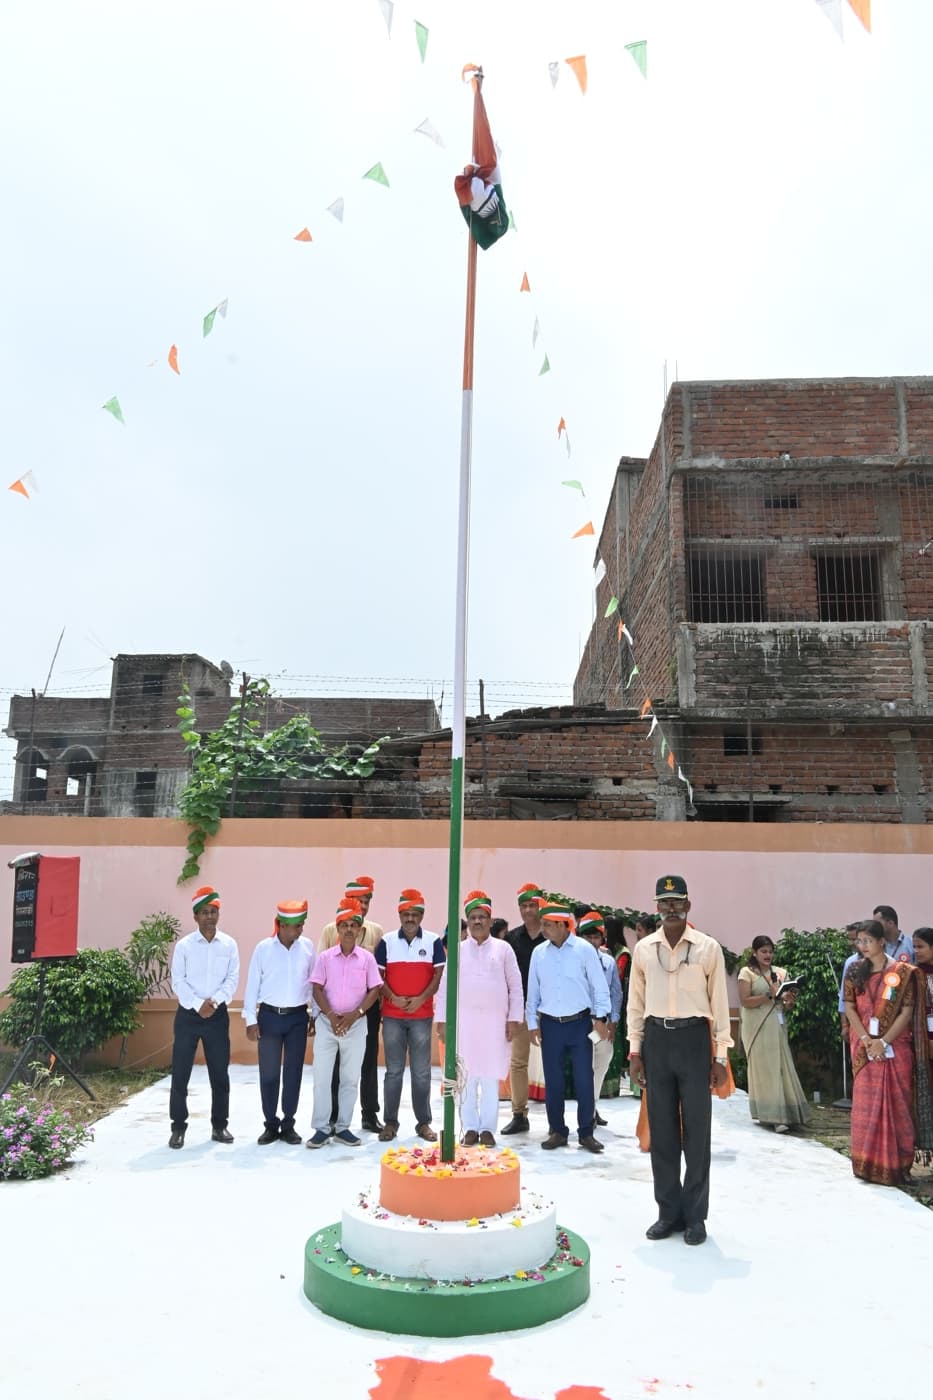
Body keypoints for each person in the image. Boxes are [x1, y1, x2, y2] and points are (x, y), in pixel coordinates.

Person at [627, 875, 732, 1246]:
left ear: (688, 906)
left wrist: (720, 1055)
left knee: (698, 1133)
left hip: (693, 1041)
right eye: (664, 902)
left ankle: (695, 1217)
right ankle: (668, 1213)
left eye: (677, 902)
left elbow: (719, 1003)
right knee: (664, 1132)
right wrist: (635, 1051)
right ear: (656, 907)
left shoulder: (707, 948)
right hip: (657, 1040)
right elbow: (635, 1004)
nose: (671, 908)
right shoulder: (644, 949)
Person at [436, 891, 524, 1146]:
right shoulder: (458, 950)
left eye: (482, 917)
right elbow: (445, 986)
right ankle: (470, 1128)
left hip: (495, 1025)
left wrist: (514, 1018)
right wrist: (441, 1020)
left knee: (489, 1077)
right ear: (467, 921)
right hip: (464, 1025)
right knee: (466, 1077)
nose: (477, 922)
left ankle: (487, 1129)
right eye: (472, 917)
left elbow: (515, 986)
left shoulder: (503, 949)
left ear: (489, 919)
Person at [525, 902, 611, 1154]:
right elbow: (533, 991)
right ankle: (557, 1131)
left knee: (584, 1079)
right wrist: (532, 1023)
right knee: (554, 1081)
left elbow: (599, 986)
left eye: (547, 925)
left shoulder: (584, 950)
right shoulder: (539, 953)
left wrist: (601, 1018)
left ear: (563, 925)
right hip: (550, 1025)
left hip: (581, 1024)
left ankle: (586, 1132)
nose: (542, 929)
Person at [843, 918, 921, 1184]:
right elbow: (850, 1006)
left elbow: (907, 1010)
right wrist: (866, 1038)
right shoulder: (854, 970)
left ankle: (898, 1166)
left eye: (867, 941)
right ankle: (866, 1164)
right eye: (859, 941)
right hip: (864, 1047)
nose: (862, 945)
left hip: (894, 1047)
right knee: (865, 1105)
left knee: (898, 1104)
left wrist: (884, 1041)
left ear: (881, 942)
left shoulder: (902, 972)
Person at [306, 902, 383, 1148]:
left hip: (356, 1025)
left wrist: (355, 1014)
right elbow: (316, 988)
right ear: (337, 929)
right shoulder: (326, 958)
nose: (349, 929)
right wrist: (330, 1014)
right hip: (329, 1024)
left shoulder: (367, 959)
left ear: (360, 930)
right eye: (345, 925)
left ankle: (343, 1127)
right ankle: (321, 1128)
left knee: (350, 1078)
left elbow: (375, 989)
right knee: (322, 1076)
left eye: (354, 925)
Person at [168, 886, 240, 1150]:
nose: (210, 916)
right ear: (196, 916)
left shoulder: (229, 944)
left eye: (214, 912)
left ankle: (219, 1126)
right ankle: (178, 1128)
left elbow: (232, 979)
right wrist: (198, 1005)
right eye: (204, 912)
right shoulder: (185, 946)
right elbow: (179, 981)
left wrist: (215, 1002)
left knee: (220, 1074)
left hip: (217, 1016)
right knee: (181, 1074)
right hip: (188, 1015)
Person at [242, 899, 316, 1145]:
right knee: (270, 1073)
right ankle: (271, 1125)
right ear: (283, 925)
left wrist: (313, 1015)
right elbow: (252, 984)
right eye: (298, 926)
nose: (301, 930)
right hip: (269, 1018)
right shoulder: (263, 949)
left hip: (297, 1018)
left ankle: (289, 1124)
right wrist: (250, 1019)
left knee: (293, 1073)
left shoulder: (307, 948)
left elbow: (314, 984)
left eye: (302, 925)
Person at [375, 888, 445, 1143]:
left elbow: (438, 977)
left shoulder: (433, 941)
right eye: (406, 914)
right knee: (393, 1071)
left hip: (421, 1015)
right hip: (392, 1016)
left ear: (422, 916)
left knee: (421, 1072)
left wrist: (420, 1000)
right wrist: (393, 998)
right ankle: (390, 1123)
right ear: (400, 915)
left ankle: (423, 1123)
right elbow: (377, 977)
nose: (410, 919)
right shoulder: (386, 941)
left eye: (415, 914)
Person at [320, 877, 385, 1133]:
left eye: (366, 901)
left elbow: (378, 974)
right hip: (335, 1011)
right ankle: (334, 1116)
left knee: (368, 1061)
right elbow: (320, 971)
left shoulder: (376, 931)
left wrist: (365, 1010)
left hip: (366, 1008)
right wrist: (324, 1013)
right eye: (358, 901)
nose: (363, 905)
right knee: (337, 1062)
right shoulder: (330, 930)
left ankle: (369, 1115)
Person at [737, 935, 808, 1133]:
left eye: (770, 951)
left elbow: (786, 1004)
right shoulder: (747, 973)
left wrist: (788, 1000)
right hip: (756, 1025)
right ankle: (773, 1116)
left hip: (776, 1023)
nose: (768, 955)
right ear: (755, 952)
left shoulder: (780, 973)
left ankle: (789, 1114)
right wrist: (769, 995)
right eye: (763, 951)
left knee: (780, 1066)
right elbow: (745, 1001)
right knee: (765, 1069)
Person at [502, 882, 547, 1135]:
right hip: (519, 1010)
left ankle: (556, 1119)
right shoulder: (511, 939)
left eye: (532, 905)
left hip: (549, 1010)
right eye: (524, 906)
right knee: (518, 1062)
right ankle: (519, 1115)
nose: (528, 910)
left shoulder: (552, 935)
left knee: (552, 1062)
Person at [577, 911, 622, 1126]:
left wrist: (612, 1021)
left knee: (601, 1063)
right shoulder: (573, 960)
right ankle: (586, 1112)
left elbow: (615, 993)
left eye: (596, 937)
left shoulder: (609, 962)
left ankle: (592, 1107)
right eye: (587, 936)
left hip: (601, 1025)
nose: (592, 941)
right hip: (579, 1023)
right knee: (584, 1066)